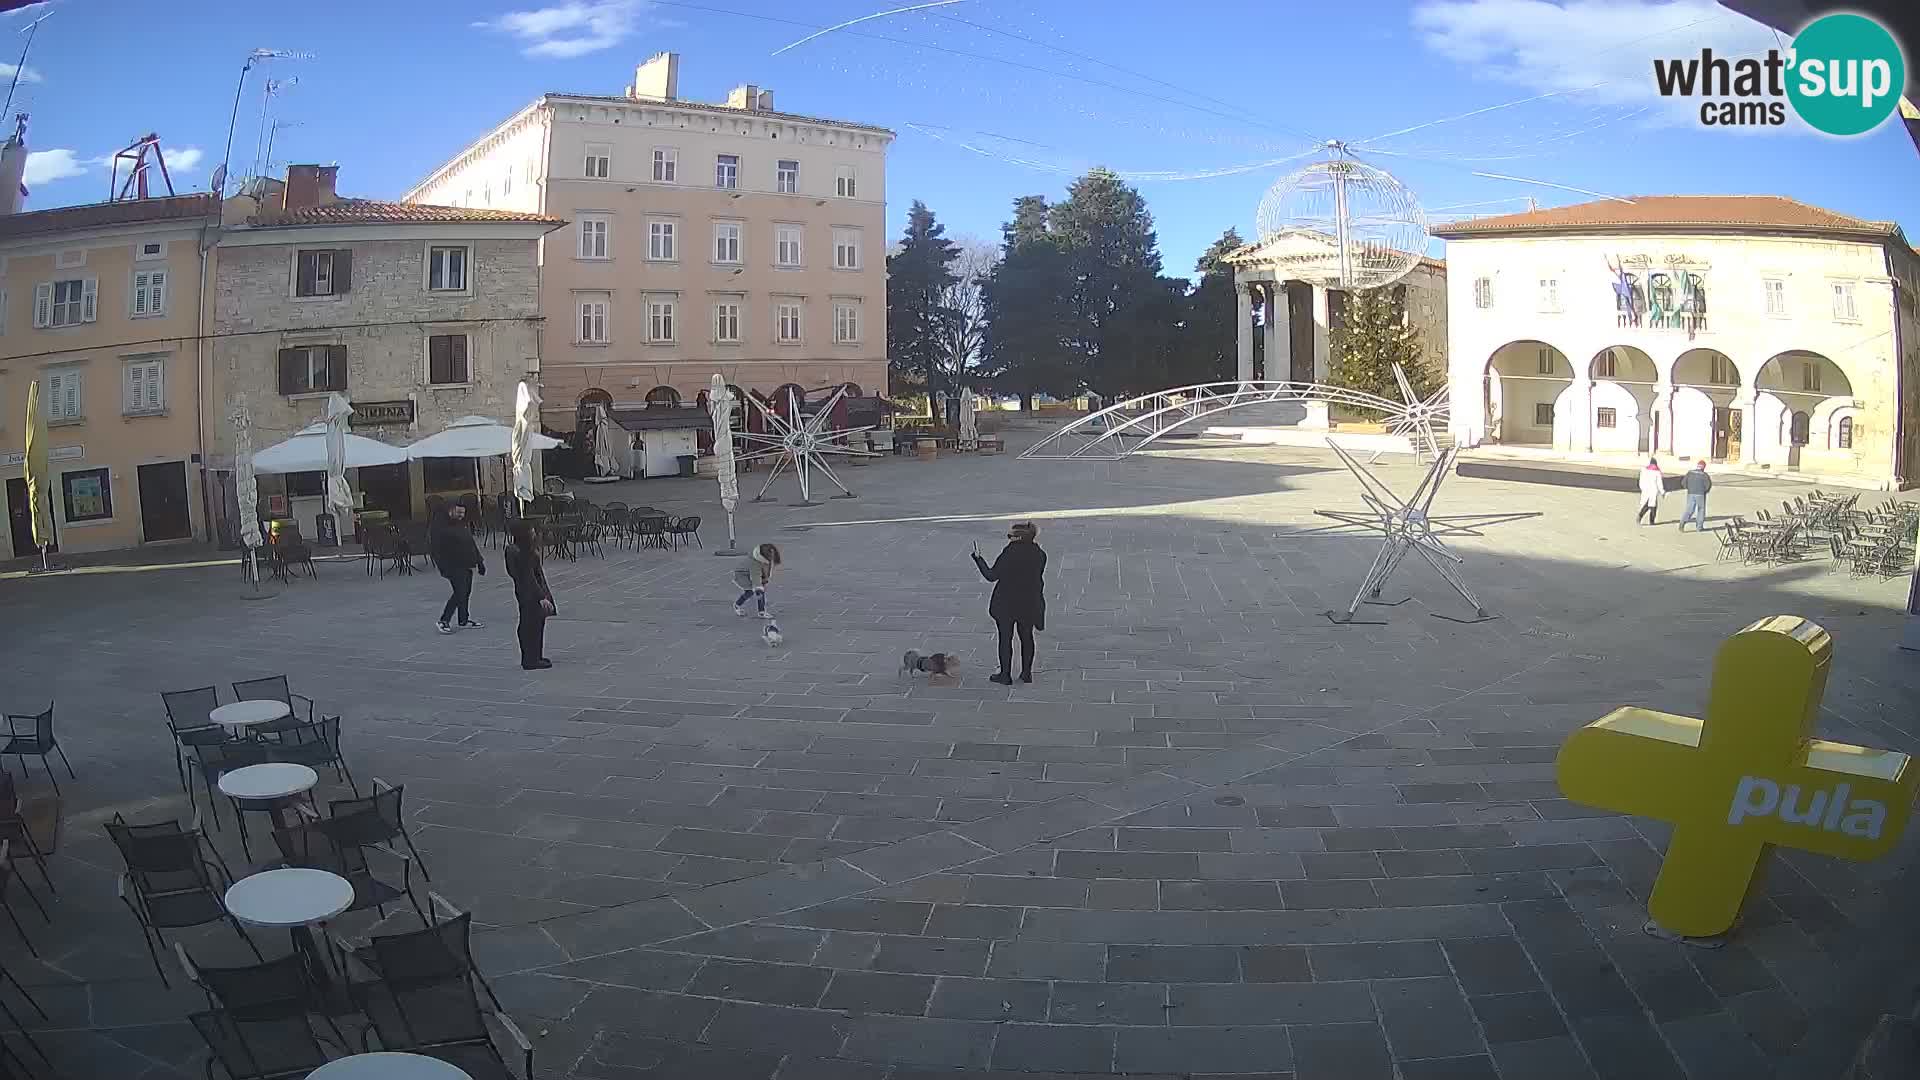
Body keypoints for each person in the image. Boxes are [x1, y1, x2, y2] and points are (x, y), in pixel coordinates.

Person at [971, 522, 1047, 685]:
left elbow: (991, 575)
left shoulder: (1010, 553)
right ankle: (1026, 673)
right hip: (1029, 603)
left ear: (1018, 537)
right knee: (1027, 637)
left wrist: (978, 559)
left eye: (1010, 535)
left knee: (1005, 639)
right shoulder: (1040, 554)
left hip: (1006, 604)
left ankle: (1005, 675)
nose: (1009, 538)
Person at [504, 519, 556, 670]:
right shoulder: (518, 551)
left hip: (530, 590)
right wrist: (541, 597)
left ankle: (536, 655)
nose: (533, 532)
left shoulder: (525, 548)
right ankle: (529, 659)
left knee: (537, 623)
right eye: (531, 530)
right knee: (530, 624)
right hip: (528, 592)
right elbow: (528, 577)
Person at [430, 503, 485, 634]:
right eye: (458, 512)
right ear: (450, 511)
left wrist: (480, 562)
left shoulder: (461, 525)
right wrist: (443, 567)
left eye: (463, 513)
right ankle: (444, 620)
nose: (461, 515)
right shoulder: (441, 528)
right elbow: (436, 550)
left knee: (466, 592)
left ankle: (463, 620)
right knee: (460, 592)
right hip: (452, 565)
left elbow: (471, 544)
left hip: (466, 564)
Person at [733, 543, 781, 619]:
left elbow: (766, 570)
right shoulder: (755, 563)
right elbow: (755, 576)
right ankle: (739, 605)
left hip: (753, 574)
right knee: (752, 592)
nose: (772, 557)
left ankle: (760, 611)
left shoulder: (766, 557)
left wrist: (765, 580)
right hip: (742, 575)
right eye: (770, 555)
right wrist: (759, 587)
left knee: (758, 591)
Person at [1679, 459, 1712, 532]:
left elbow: (1683, 482)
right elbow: (1708, 485)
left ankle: (1682, 522)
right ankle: (1699, 527)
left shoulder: (1690, 473)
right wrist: (1705, 491)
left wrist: (1689, 488)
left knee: (1689, 509)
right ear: (1703, 467)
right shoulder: (1704, 475)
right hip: (1700, 494)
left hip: (1691, 493)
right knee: (1701, 510)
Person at [1636, 457, 1665, 526]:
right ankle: (1651, 521)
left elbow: (1641, 480)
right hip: (1653, 490)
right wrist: (1662, 492)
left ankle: (1640, 516)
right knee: (1653, 506)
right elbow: (1659, 483)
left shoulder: (1644, 471)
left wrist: (1642, 488)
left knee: (1646, 505)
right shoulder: (1657, 472)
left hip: (1646, 490)